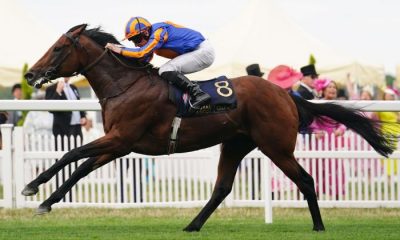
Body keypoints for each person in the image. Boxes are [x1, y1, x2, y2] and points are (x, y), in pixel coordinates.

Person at [105, 17, 215, 110]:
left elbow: (141, 53)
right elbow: (145, 59)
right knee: (164, 71)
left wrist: (120, 50)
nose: (136, 44)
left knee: (165, 70)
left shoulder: (159, 32)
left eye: (137, 39)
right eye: (132, 41)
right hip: (197, 51)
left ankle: (198, 94)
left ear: (146, 32)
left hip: (203, 51)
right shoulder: (152, 37)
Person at [310, 78, 346, 199]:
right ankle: (316, 196)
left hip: (333, 141)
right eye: (330, 87)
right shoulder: (317, 104)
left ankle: (337, 197)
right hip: (319, 141)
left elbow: (343, 122)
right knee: (317, 170)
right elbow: (312, 121)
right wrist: (315, 131)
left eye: (334, 87)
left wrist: (341, 129)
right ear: (323, 90)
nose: (332, 89)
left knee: (335, 170)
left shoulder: (339, 105)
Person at [45, 77, 87, 149]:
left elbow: (78, 103)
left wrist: (83, 116)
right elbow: (50, 109)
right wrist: (58, 91)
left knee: (77, 152)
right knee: (62, 153)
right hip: (62, 127)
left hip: (77, 126)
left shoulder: (73, 87)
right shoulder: (51, 88)